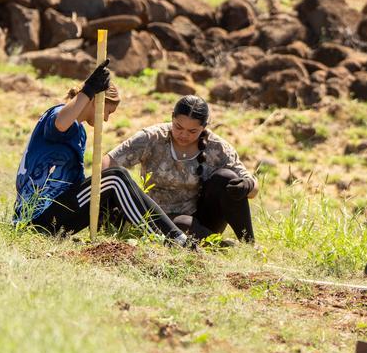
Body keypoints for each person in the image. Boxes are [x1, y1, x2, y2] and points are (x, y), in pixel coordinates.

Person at [14, 60, 188, 245]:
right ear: (96, 101)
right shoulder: (57, 114)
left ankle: (146, 236)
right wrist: (88, 90)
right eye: (108, 112)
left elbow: (75, 186)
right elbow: (60, 124)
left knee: (108, 185)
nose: (105, 119)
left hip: (58, 214)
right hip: (37, 218)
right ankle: (171, 240)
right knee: (116, 177)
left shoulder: (79, 132)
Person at [102, 96, 258, 243]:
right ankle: (219, 245)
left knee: (226, 177)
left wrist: (246, 186)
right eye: (179, 127)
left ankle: (248, 244)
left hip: (202, 219)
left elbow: (253, 189)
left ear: (203, 127)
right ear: (172, 117)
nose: (183, 135)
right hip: (153, 217)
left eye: (192, 131)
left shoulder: (217, 147)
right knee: (182, 224)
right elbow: (108, 162)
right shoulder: (152, 137)